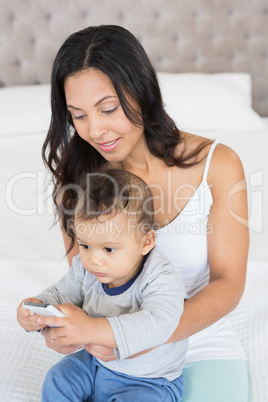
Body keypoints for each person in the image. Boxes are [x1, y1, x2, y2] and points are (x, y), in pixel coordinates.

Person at [40, 25, 249, 401]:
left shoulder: (218, 166)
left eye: (107, 109)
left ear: (142, 90)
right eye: (79, 115)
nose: (95, 130)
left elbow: (228, 282)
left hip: (199, 344)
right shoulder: (78, 182)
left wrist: (144, 337)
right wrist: (64, 327)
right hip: (109, 357)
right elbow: (87, 278)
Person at [17, 169, 187, 401]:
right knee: (58, 379)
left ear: (146, 241)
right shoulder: (86, 268)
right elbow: (61, 293)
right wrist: (36, 309)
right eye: (85, 245)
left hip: (149, 380)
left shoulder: (161, 276)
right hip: (94, 362)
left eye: (109, 249)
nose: (93, 259)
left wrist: (91, 329)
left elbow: (159, 323)